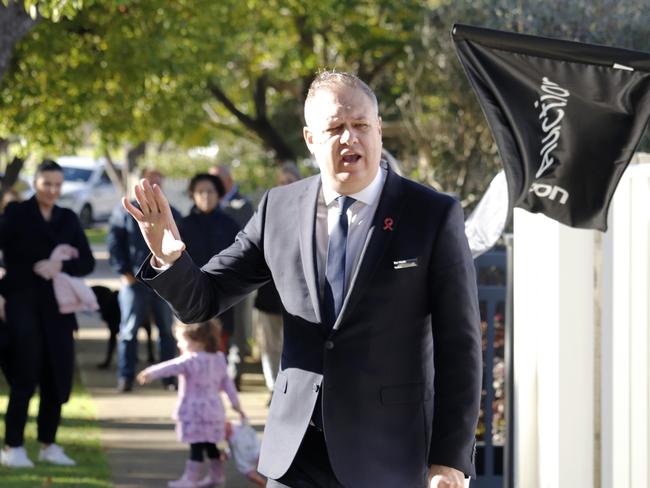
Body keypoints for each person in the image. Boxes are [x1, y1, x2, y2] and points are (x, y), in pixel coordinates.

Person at [125, 71, 481, 488]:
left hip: (390, 452)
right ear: (311, 140)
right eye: (335, 129)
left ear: (379, 129)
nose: (350, 139)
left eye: (361, 126)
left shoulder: (432, 215)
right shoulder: (280, 207)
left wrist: (450, 459)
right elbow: (203, 299)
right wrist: (169, 258)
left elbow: (460, 346)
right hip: (296, 454)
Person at [0, 160, 95, 468]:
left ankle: (48, 444)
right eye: (47, 184)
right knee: (25, 374)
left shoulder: (67, 218)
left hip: (58, 308)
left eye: (58, 184)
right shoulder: (16, 214)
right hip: (22, 302)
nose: (53, 190)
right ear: (35, 183)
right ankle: (13, 446)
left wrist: (60, 266)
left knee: (57, 374)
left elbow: (87, 262)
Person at [136, 319, 246, 488]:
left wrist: (149, 373)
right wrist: (236, 405)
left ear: (198, 340)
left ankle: (190, 480)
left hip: (194, 412)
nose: (179, 343)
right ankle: (217, 476)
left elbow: (169, 367)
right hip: (214, 411)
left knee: (196, 446)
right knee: (210, 445)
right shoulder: (219, 359)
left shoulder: (189, 360)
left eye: (182, 339)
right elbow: (228, 385)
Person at [107, 167, 180, 392]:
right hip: (134, 281)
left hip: (163, 281)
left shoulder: (171, 212)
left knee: (167, 331)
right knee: (129, 331)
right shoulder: (124, 213)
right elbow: (114, 245)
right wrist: (124, 272)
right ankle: (126, 377)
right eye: (147, 183)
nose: (152, 189)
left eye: (156, 184)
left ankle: (169, 378)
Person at [179, 173, 240, 356]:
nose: (206, 195)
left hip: (222, 294)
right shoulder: (183, 225)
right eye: (200, 191)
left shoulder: (230, 224)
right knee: (192, 346)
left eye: (210, 191)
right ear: (193, 195)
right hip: (193, 295)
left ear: (218, 194)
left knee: (219, 348)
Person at [254, 163, 301, 395]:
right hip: (269, 293)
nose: (286, 186)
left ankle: (291, 391)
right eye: (282, 182)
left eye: (290, 181)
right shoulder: (267, 213)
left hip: (300, 296)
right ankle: (274, 389)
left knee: (293, 345)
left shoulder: (313, 213)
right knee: (269, 345)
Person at [209, 164, 255, 387]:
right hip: (217, 279)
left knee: (238, 328)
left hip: (239, 279)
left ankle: (234, 373)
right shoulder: (210, 204)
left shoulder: (242, 204)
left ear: (228, 180)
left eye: (216, 179)